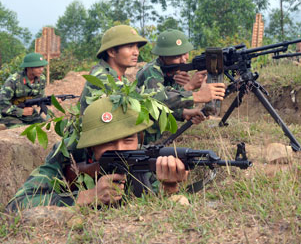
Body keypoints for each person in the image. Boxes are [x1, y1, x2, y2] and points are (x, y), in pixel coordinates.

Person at [6, 97, 188, 211]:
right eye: (107, 142)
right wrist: (87, 196)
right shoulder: (67, 154)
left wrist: (169, 188)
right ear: (91, 147)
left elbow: (152, 206)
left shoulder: (141, 158)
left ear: (139, 138)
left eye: (128, 139)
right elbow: (18, 204)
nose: (120, 149)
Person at [136, 29, 226, 142]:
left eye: (185, 53)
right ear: (163, 56)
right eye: (177, 56)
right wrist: (189, 87)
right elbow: (158, 103)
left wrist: (184, 113)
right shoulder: (151, 72)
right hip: (143, 139)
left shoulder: (173, 69)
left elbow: (179, 106)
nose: (184, 59)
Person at [79, 25, 148, 115]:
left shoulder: (119, 75)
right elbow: (140, 96)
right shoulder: (102, 77)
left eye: (137, 47)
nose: (136, 52)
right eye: (130, 46)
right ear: (112, 52)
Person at [0, 53, 48, 128]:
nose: (41, 69)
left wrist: (52, 101)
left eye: (42, 66)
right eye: (38, 67)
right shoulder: (13, 81)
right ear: (28, 68)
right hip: (10, 115)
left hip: (29, 114)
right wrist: (21, 111)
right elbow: (2, 104)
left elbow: (40, 98)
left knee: (44, 127)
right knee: (20, 131)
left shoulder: (41, 79)